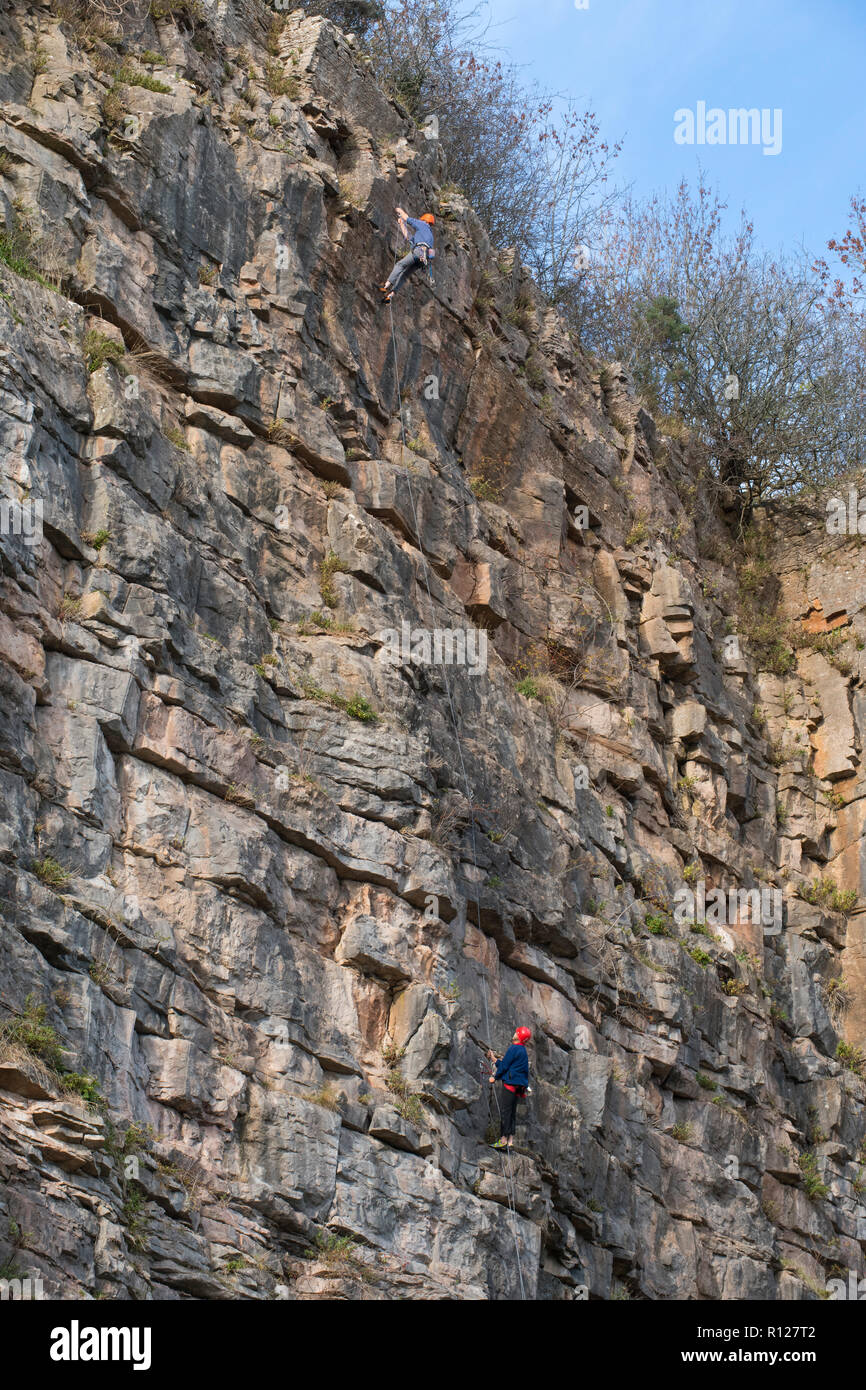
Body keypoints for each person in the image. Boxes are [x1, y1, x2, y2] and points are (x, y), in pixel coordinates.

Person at [487, 1026, 532, 1150]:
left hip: (510, 1084)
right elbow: (509, 1066)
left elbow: (505, 1067)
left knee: (505, 1112)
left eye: (516, 1032)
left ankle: (503, 1140)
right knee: (511, 1112)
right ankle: (510, 1141)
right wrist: (494, 1059)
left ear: (518, 1036)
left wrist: (495, 1077)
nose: (514, 1033)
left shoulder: (514, 1048)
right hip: (519, 1086)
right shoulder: (522, 1050)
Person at [379, 207, 435, 302]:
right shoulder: (430, 236)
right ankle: (390, 296)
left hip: (418, 252)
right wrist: (401, 224)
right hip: (423, 260)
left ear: (424, 220)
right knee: (404, 275)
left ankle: (385, 285)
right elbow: (408, 237)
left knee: (400, 265)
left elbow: (406, 217)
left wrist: (398, 210)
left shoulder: (422, 224)